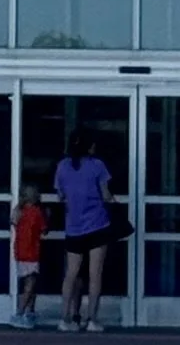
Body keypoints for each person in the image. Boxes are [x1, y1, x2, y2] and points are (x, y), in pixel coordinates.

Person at [54, 128, 115, 332]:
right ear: (89, 146)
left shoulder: (62, 167)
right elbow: (106, 195)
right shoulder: (98, 166)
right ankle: (92, 320)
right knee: (95, 274)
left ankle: (65, 318)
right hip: (98, 225)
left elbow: (61, 196)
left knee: (71, 273)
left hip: (73, 226)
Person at [11, 182, 47, 327]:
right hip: (32, 252)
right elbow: (44, 230)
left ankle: (30, 312)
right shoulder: (37, 213)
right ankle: (20, 313)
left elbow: (13, 223)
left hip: (20, 252)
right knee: (30, 284)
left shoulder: (18, 211)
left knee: (29, 283)